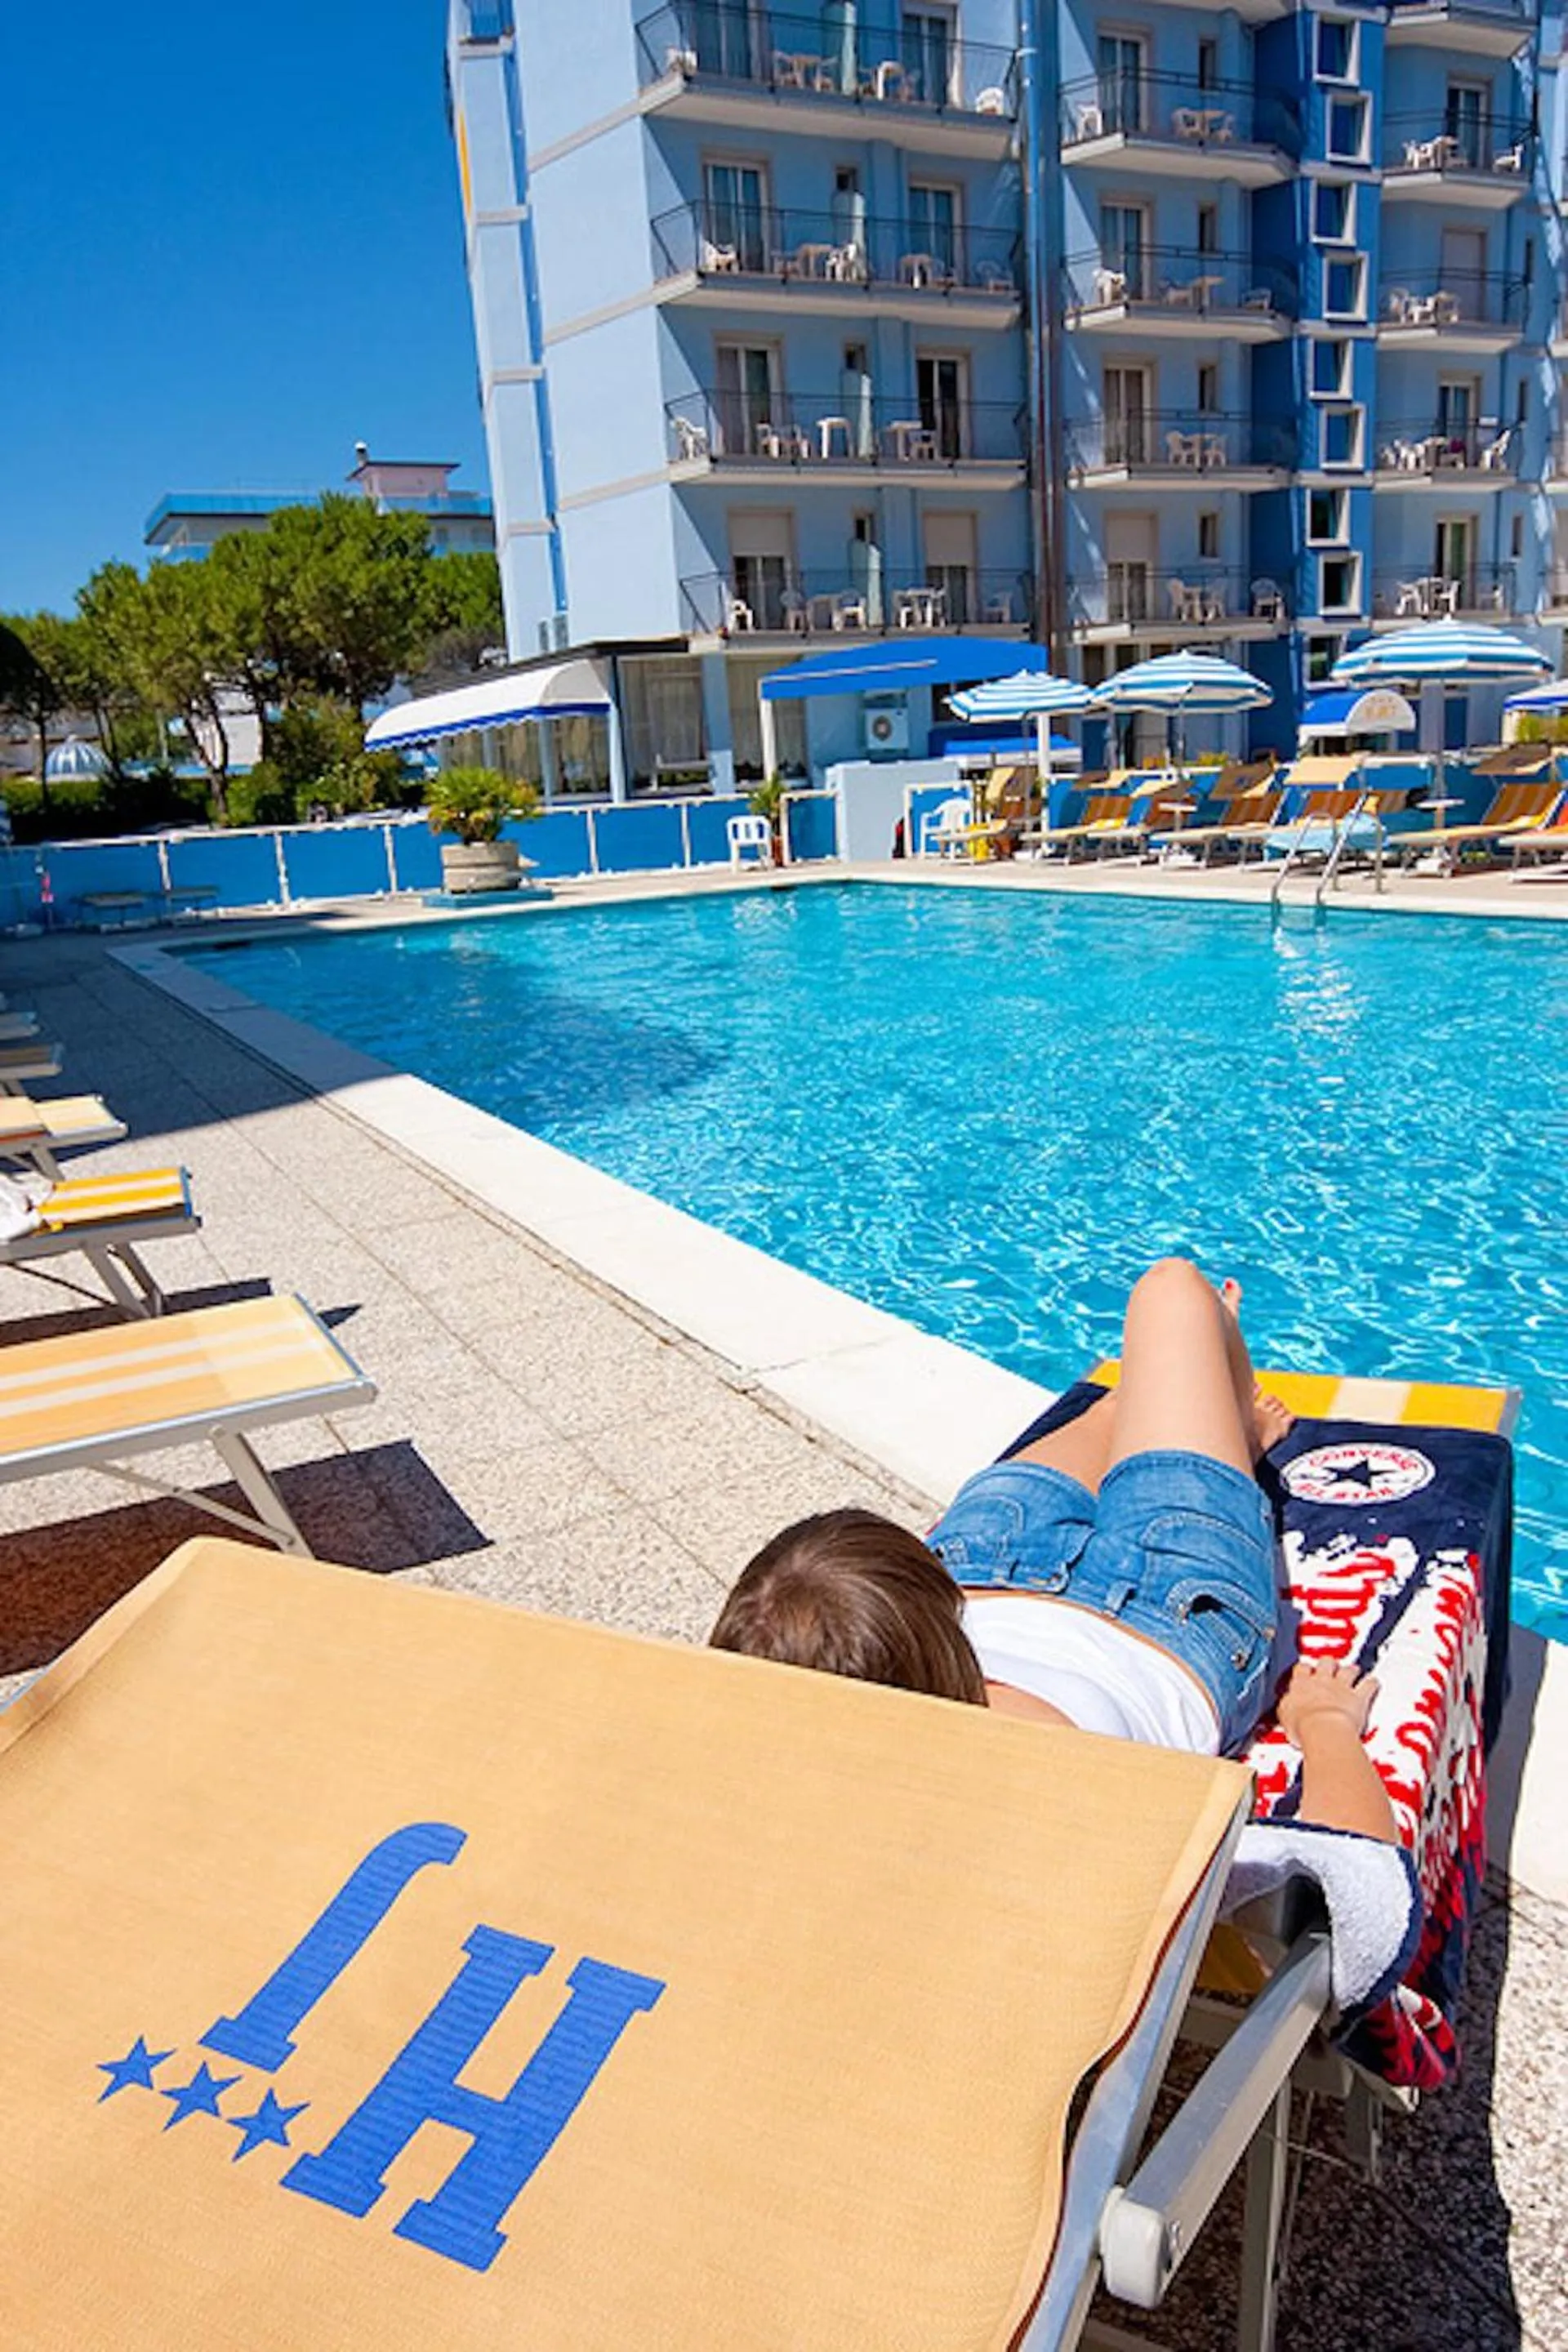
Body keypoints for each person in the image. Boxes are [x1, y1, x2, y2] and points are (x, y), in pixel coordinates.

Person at [711, 1258, 1397, 1843]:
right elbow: (1359, 1894)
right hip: (1171, 1609)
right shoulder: (1055, 1806)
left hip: (981, 1569)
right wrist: (1326, 1722)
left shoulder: (747, 1768)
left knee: (1132, 1379)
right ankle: (1221, 1420)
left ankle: (1175, 1415)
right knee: (1174, 1290)